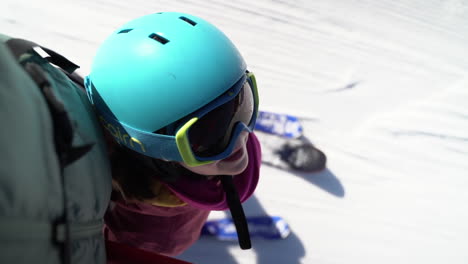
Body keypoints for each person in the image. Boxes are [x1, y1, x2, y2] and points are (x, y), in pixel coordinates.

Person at [85, 12, 262, 256]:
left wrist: (213, 137)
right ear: (155, 150)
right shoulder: (159, 233)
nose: (241, 139)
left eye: (243, 103)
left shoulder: (209, 159)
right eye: (206, 135)